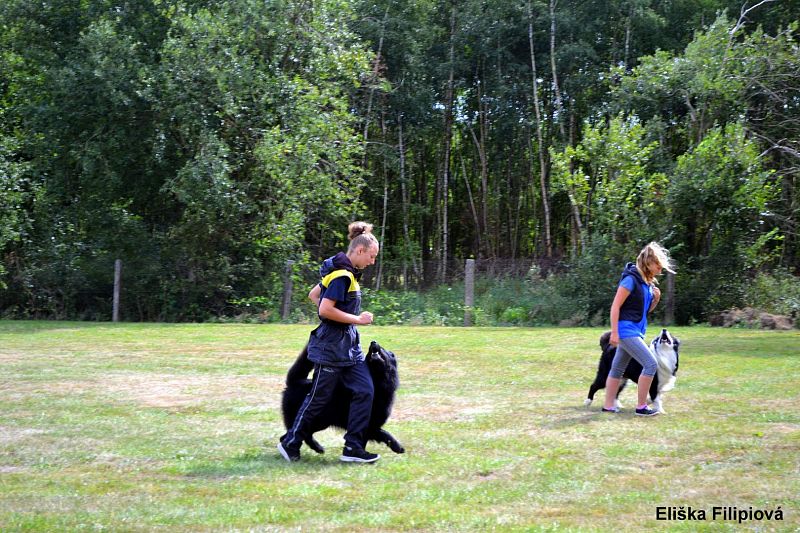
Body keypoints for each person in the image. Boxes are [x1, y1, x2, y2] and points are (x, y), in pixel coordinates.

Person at [278, 221, 381, 463]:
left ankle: (353, 448)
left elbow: (314, 295)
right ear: (360, 250)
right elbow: (324, 309)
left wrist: (342, 318)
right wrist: (356, 319)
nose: (373, 262)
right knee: (318, 399)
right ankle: (290, 442)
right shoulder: (342, 276)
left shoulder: (344, 272)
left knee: (365, 390)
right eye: (372, 257)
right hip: (332, 349)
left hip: (349, 348)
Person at [602, 242, 675, 417]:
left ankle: (608, 406)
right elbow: (615, 306)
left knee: (617, 368)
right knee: (650, 364)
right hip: (626, 331)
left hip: (635, 330)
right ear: (648, 262)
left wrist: (655, 300)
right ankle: (641, 406)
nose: (660, 269)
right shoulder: (630, 280)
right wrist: (614, 332)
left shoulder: (646, 283)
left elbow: (643, 311)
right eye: (658, 265)